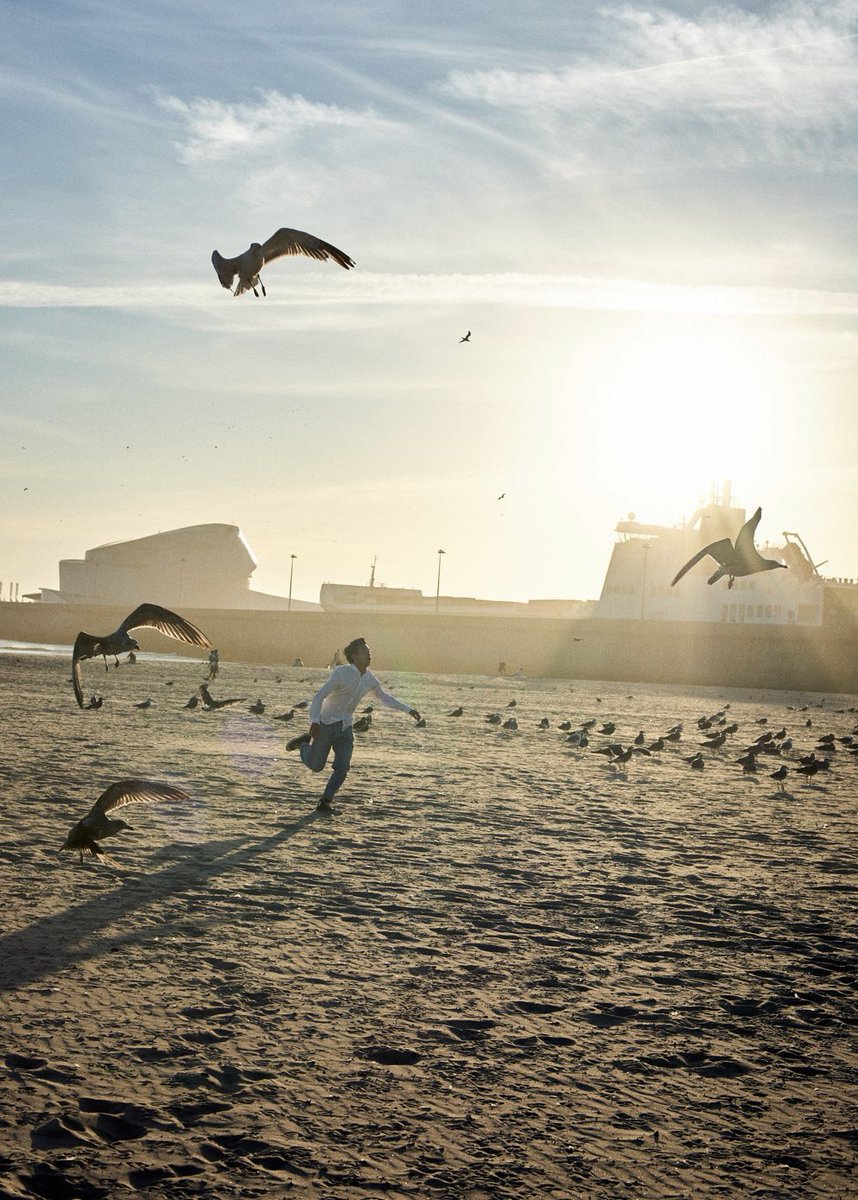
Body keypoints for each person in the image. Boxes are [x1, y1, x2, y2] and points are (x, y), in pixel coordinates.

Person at [286, 637, 421, 811]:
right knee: (316, 766)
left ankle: (325, 801)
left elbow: (384, 697)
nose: (369, 654)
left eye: (369, 651)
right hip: (326, 724)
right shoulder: (341, 673)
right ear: (355, 656)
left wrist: (408, 709)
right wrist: (314, 721)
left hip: (346, 728)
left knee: (343, 767)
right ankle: (303, 745)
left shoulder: (370, 679)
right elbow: (319, 697)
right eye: (365, 652)